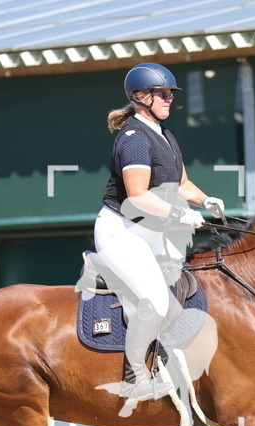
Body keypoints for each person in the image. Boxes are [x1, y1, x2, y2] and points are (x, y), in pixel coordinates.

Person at [95, 62, 225, 404]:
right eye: (162, 94)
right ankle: (134, 376)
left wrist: (204, 199)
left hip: (152, 234)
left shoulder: (165, 135)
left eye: (170, 94)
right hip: (122, 233)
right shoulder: (134, 139)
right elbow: (137, 196)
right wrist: (180, 213)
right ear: (140, 97)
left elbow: (180, 183)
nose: (170, 100)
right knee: (154, 299)